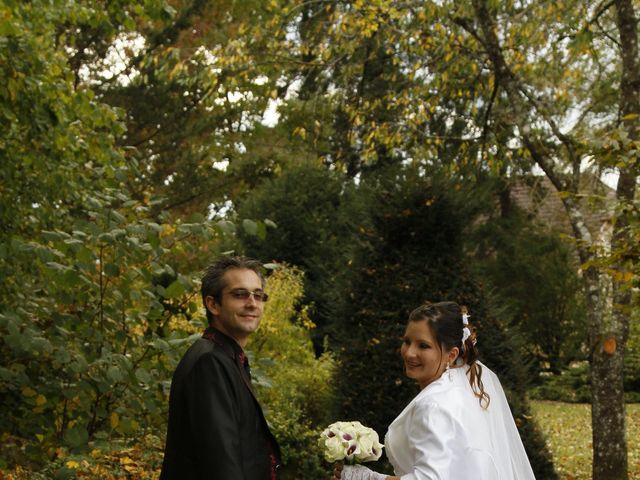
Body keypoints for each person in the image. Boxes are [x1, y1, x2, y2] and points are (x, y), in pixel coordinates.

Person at [333, 301, 536, 480]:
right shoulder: (460, 387)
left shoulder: (433, 404)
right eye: (407, 341)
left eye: (423, 345)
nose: (409, 352)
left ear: (451, 354)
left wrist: (366, 478)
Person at [160, 255, 280, 480]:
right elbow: (221, 464)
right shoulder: (209, 363)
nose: (252, 303)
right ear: (213, 304)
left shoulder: (227, 357)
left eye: (258, 295)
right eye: (240, 294)